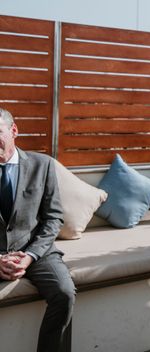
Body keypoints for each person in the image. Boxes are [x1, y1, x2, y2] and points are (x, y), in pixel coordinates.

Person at [0, 107, 75, 352]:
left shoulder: (43, 165)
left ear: (14, 131)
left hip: (35, 250)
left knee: (64, 294)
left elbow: (53, 219)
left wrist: (30, 256)